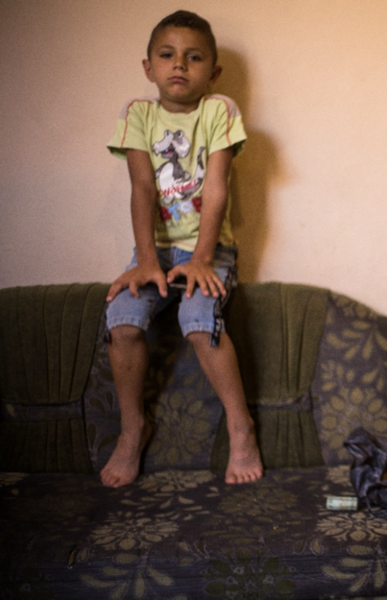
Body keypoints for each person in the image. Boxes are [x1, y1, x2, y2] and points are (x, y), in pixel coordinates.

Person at [101, 10, 262, 488]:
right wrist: (146, 259)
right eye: (167, 55)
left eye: (193, 58)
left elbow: (216, 189)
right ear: (148, 67)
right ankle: (133, 429)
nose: (179, 65)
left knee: (197, 322)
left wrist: (203, 258)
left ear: (212, 73)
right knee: (123, 319)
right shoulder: (138, 115)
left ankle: (241, 428)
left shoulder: (219, 111)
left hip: (208, 250)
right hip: (154, 251)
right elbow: (143, 189)